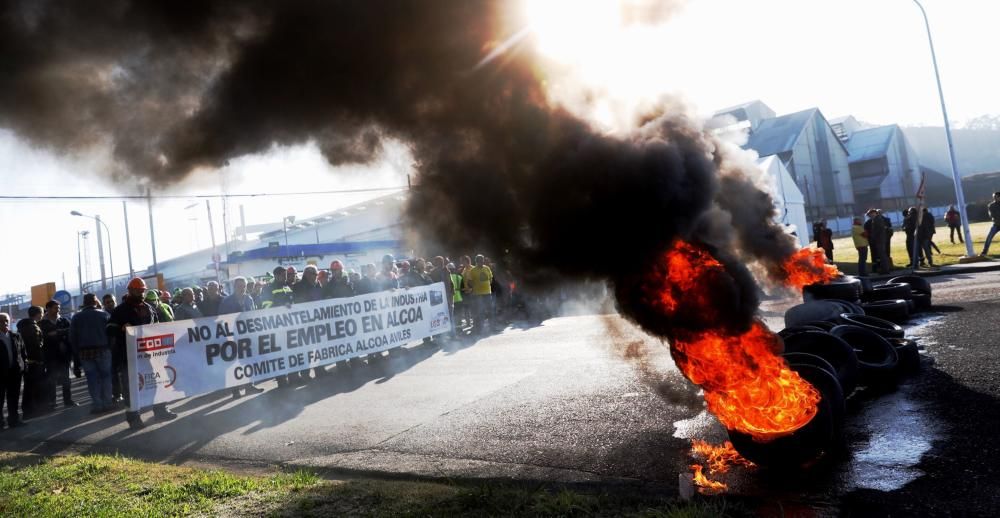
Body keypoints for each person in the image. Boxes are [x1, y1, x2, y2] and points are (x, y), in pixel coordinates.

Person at [107, 277, 176, 429]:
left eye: (143, 290)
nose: (141, 293)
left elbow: (157, 327)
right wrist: (121, 328)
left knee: (157, 382)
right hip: (129, 357)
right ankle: (133, 418)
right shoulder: (120, 310)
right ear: (130, 291)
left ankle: (160, 409)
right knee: (131, 388)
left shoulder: (150, 308)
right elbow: (109, 329)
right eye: (138, 290)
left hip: (150, 356)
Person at [219, 277, 265, 397]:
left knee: (248, 361)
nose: (242, 288)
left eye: (244, 286)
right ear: (234, 287)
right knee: (234, 363)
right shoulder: (227, 301)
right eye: (239, 286)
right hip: (233, 336)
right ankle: (235, 391)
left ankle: (250, 386)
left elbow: (252, 314)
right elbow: (222, 319)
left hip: (247, 336)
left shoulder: (249, 298)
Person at [70, 294, 114, 414]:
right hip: (103, 350)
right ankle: (108, 403)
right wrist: (110, 348)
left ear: (84, 303)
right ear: (95, 302)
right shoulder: (104, 314)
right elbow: (111, 334)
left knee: (92, 379)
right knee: (106, 377)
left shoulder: (76, 317)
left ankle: (97, 405)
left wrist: (76, 356)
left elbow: (73, 339)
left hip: (85, 353)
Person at [38, 300, 77, 410]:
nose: (58, 310)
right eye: (55, 308)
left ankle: (68, 400)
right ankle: (52, 403)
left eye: (58, 308)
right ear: (48, 309)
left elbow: (71, 331)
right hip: (50, 356)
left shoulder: (63, 320)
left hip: (64, 355)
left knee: (66, 379)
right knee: (51, 380)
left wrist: (57, 333)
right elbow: (44, 337)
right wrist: (61, 333)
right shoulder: (42, 323)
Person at [16, 307, 47, 418]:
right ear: (38, 314)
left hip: (27, 361)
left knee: (29, 387)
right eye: (42, 313)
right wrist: (40, 360)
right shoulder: (33, 327)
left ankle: (28, 411)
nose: (43, 315)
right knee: (34, 386)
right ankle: (31, 411)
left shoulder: (22, 326)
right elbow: (36, 346)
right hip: (35, 362)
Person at [0, 313, 26, 428]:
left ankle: (14, 420)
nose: (5, 323)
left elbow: (23, 353)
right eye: (1, 321)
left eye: (6, 320)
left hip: (15, 372)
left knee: (14, 397)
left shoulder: (16, 336)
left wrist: (24, 366)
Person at [467, 255, 494, 334]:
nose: (481, 262)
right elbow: (469, 281)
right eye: (479, 260)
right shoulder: (472, 270)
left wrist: (486, 286)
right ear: (476, 261)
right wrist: (475, 286)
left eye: (482, 260)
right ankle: (479, 329)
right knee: (479, 312)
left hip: (488, 293)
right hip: (478, 295)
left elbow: (490, 279)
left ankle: (491, 327)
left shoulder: (487, 268)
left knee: (490, 311)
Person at [864, 209, 890, 274]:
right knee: (881, 255)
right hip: (880, 239)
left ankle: (885, 270)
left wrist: (873, 237)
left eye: (869, 215)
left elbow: (878, 230)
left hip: (879, 239)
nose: (869, 216)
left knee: (882, 255)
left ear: (873, 213)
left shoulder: (877, 219)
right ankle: (884, 269)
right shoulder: (876, 219)